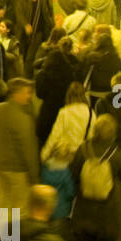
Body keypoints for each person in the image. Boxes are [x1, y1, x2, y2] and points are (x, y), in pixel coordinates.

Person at [0, 78, 39, 241]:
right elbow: (29, 151)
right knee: (17, 210)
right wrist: (35, 178)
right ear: (17, 93)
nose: (29, 97)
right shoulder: (23, 119)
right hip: (17, 172)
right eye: (27, 92)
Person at [40, 83, 91, 221]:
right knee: (74, 187)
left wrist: (44, 154)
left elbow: (54, 136)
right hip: (81, 158)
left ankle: (55, 212)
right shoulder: (92, 113)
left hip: (64, 155)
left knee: (61, 187)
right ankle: (72, 215)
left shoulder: (65, 112)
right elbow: (91, 139)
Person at [35, 36, 79, 143]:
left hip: (48, 109)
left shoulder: (46, 69)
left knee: (45, 139)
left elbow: (39, 94)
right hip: (66, 108)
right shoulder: (73, 69)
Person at [81, 26, 121, 111]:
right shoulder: (116, 58)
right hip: (109, 92)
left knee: (93, 111)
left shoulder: (91, 56)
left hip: (93, 92)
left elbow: (83, 73)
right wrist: (120, 101)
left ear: (98, 43)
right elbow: (120, 78)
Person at [15, 0, 54, 65]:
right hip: (24, 32)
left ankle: (28, 73)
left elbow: (48, 14)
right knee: (23, 53)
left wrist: (51, 26)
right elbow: (19, 14)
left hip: (38, 31)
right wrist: (25, 25)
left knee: (31, 56)